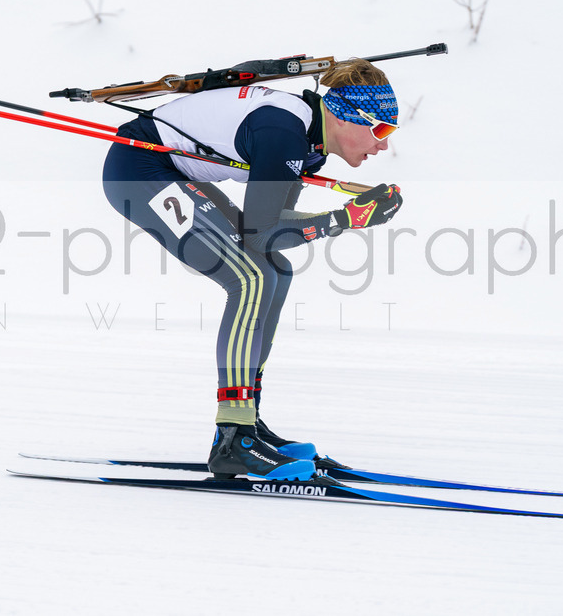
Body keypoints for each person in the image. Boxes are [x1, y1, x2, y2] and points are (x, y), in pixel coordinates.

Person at [102, 58, 402, 481]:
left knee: (274, 271)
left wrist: (345, 216)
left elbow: (268, 232)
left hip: (172, 170)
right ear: (341, 115)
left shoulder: (307, 146)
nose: (383, 144)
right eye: (380, 129)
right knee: (250, 277)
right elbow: (263, 232)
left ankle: (247, 421)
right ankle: (233, 437)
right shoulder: (284, 133)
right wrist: (343, 219)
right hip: (139, 170)